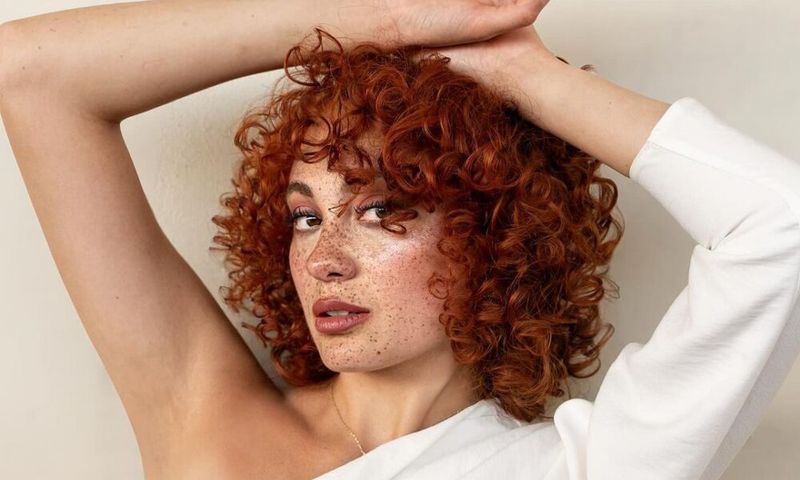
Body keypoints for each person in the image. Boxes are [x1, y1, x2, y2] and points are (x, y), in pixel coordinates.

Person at [1, 1, 798, 479]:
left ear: (496, 238)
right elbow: (31, 73)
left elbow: (781, 224)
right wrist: (379, 22)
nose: (324, 256)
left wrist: (525, 76)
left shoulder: (579, 469)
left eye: (385, 210)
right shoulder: (204, 416)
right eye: (307, 214)